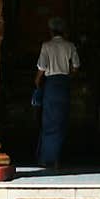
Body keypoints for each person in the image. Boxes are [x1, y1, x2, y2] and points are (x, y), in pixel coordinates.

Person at [35, 17, 80, 171]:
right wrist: (68, 78)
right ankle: (57, 160)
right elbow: (75, 67)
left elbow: (41, 67)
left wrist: (37, 82)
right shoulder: (70, 46)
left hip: (51, 86)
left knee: (48, 123)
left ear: (51, 30)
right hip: (63, 86)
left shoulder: (46, 46)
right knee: (61, 123)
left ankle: (45, 159)